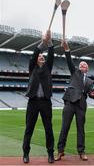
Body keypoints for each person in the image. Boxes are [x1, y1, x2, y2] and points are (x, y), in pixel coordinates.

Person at [55, 41, 94, 161]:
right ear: (79, 67)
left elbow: (90, 93)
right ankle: (60, 151)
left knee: (81, 130)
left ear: (87, 68)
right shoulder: (74, 72)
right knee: (65, 127)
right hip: (70, 103)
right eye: (81, 64)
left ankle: (81, 151)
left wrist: (93, 94)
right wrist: (67, 49)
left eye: (85, 64)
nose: (82, 65)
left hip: (81, 105)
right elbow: (69, 59)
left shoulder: (90, 81)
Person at [22, 30, 55, 164]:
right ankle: (25, 153)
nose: (41, 57)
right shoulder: (32, 68)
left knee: (48, 129)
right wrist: (43, 42)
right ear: (36, 60)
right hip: (33, 102)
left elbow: (51, 54)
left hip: (46, 102)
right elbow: (36, 52)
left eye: (43, 57)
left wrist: (50, 41)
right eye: (40, 56)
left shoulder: (48, 67)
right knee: (29, 128)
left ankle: (50, 154)